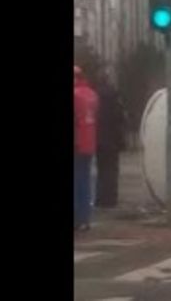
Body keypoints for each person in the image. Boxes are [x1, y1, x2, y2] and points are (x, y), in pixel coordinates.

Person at [93, 75, 126, 209]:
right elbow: (120, 119)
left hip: (98, 138)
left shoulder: (95, 97)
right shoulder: (115, 98)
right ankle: (110, 199)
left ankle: (100, 198)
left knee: (101, 169)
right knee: (111, 170)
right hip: (112, 139)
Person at [74, 66, 99, 232]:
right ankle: (85, 218)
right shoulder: (92, 94)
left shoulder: (75, 95)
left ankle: (77, 218)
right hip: (88, 143)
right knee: (84, 180)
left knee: (76, 182)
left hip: (76, 144)